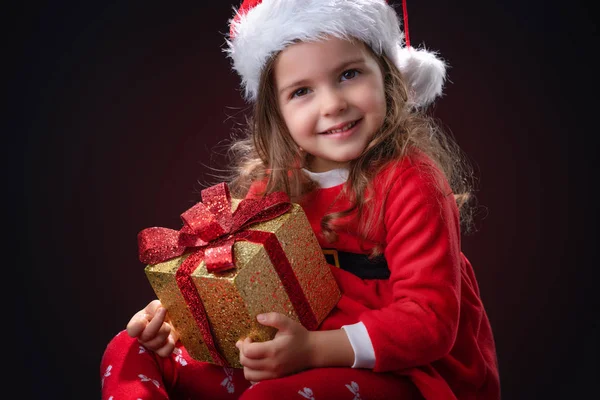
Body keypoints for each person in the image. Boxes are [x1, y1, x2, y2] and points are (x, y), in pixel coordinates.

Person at [100, 0, 500, 398]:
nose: (332, 104)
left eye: (349, 74)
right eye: (302, 91)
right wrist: (180, 318)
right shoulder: (276, 185)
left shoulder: (411, 182)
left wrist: (311, 351)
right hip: (292, 348)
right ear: (278, 113)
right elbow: (232, 278)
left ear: (388, 77)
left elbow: (428, 324)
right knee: (130, 349)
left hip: (399, 368)